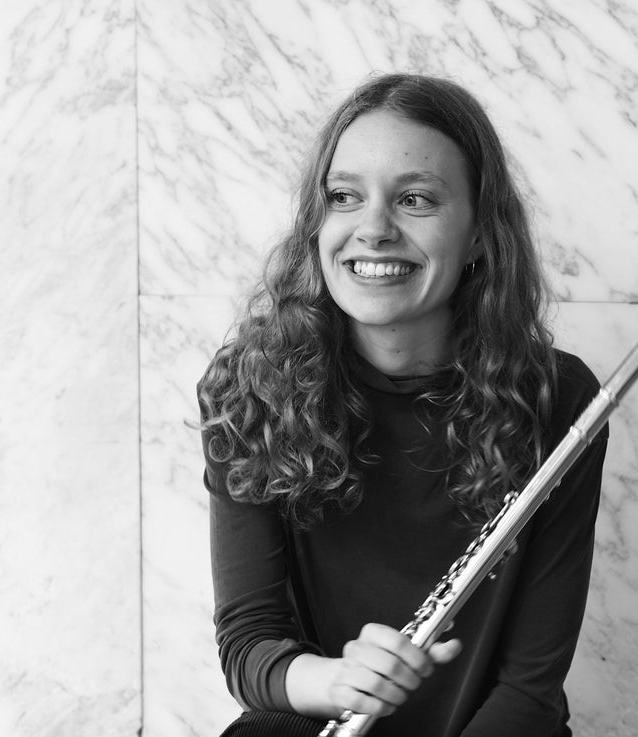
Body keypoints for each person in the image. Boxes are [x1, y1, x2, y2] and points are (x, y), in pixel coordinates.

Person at [198, 73, 608, 737]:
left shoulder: (558, 399)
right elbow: (250, 647)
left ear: (480, 233)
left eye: (415, 199)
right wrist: (338, 681)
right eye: (344, 197)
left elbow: (528, 692)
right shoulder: (250, 387)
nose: (373, 229)